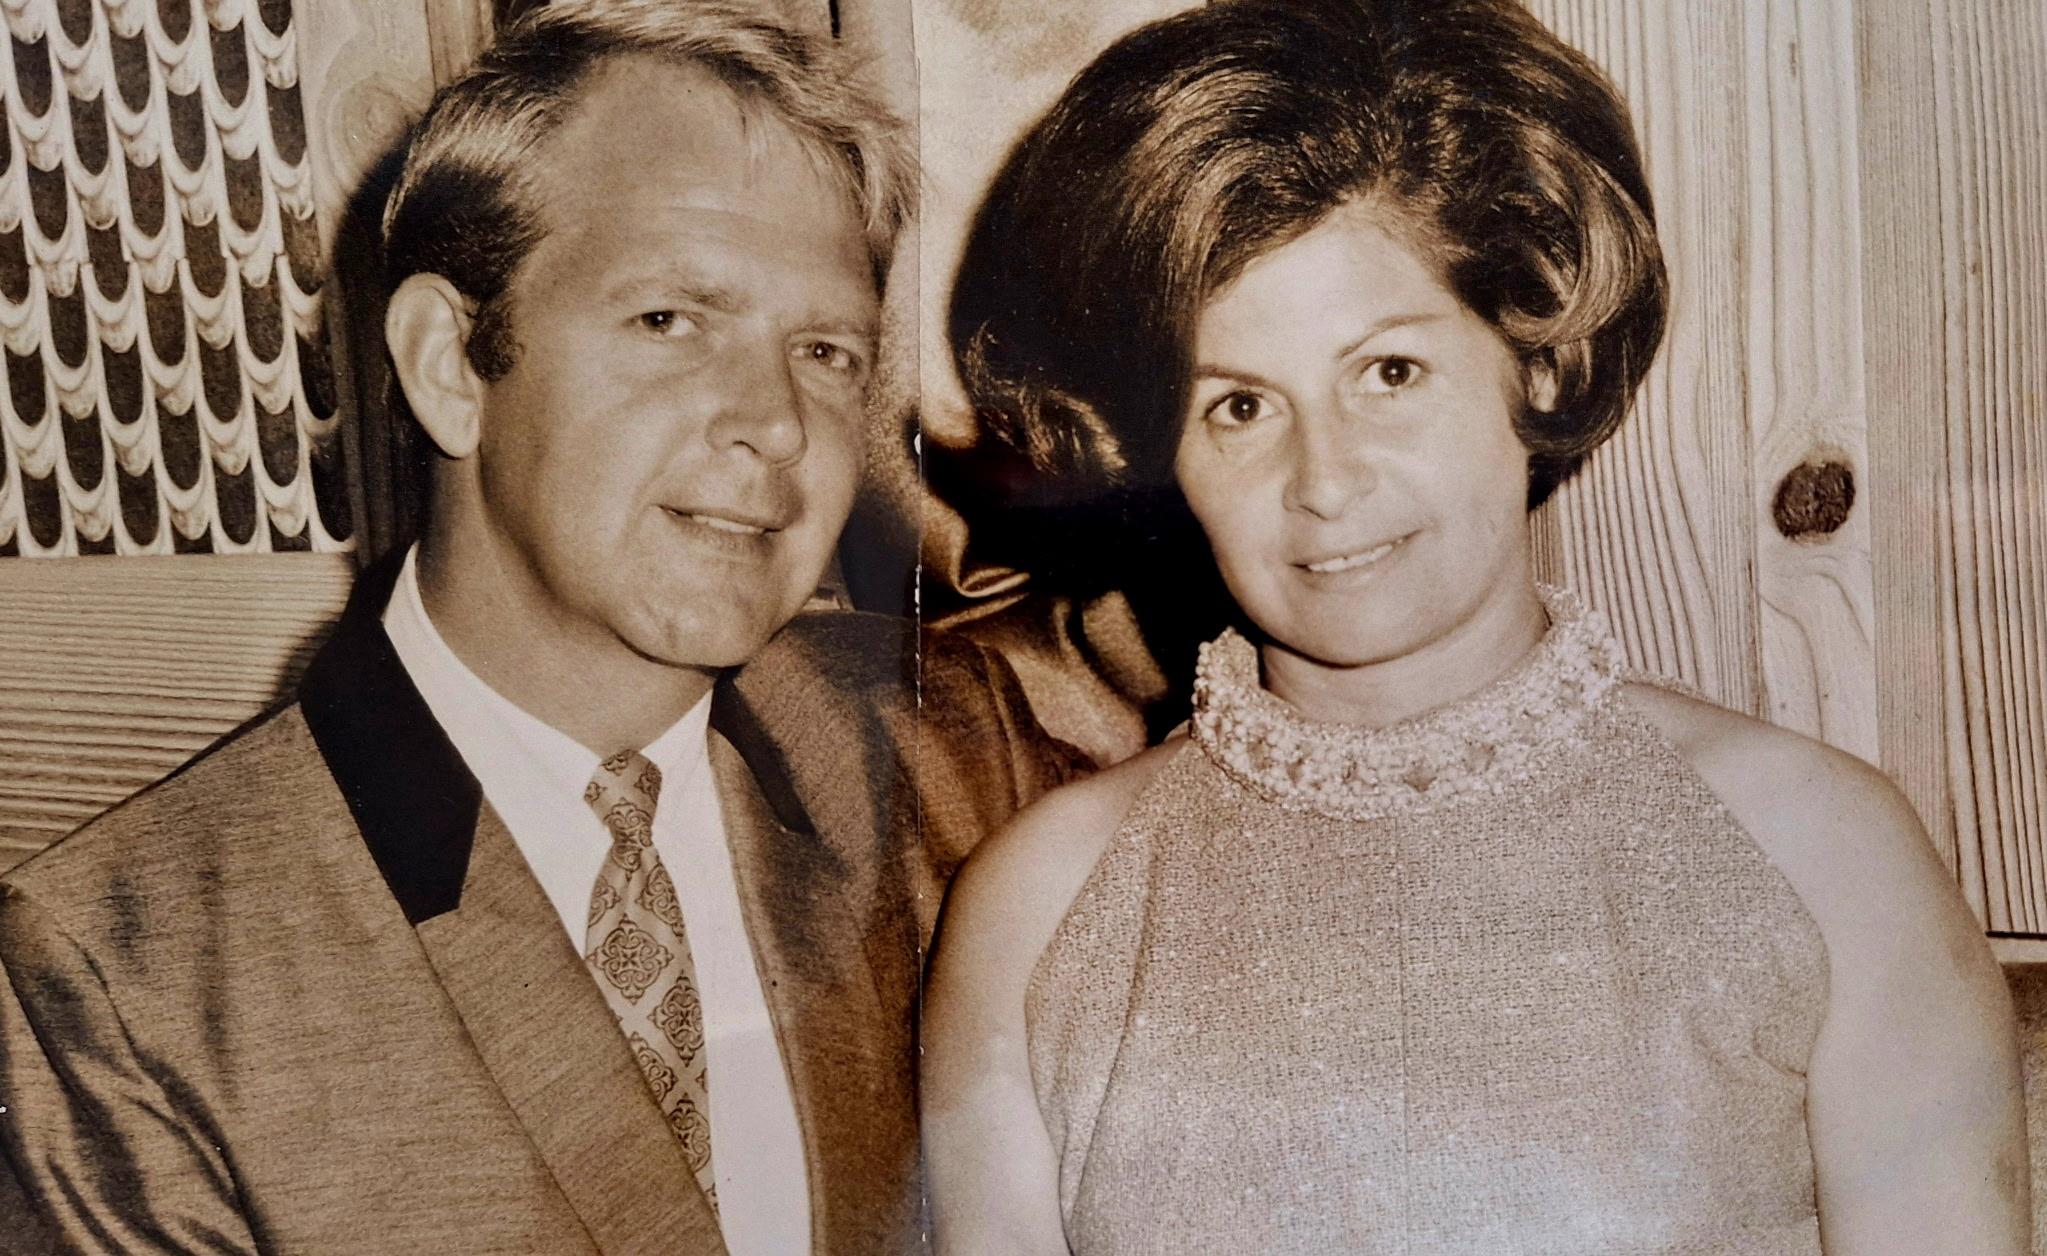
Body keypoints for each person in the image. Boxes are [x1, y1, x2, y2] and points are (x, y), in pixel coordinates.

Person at [922, 1, 2029, 1252]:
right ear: (1151, 446)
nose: (1324, 479)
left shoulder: (1823, 854)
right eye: (1237, 404)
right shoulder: (1036, 910)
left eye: (1388, 372)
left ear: (1536, 365)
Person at [0, 3, 1063, 1252]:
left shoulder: (942, 745)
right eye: (671, 319)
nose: (774, 422)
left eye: (824, 349)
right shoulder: (121, 975)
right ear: (452, 363)